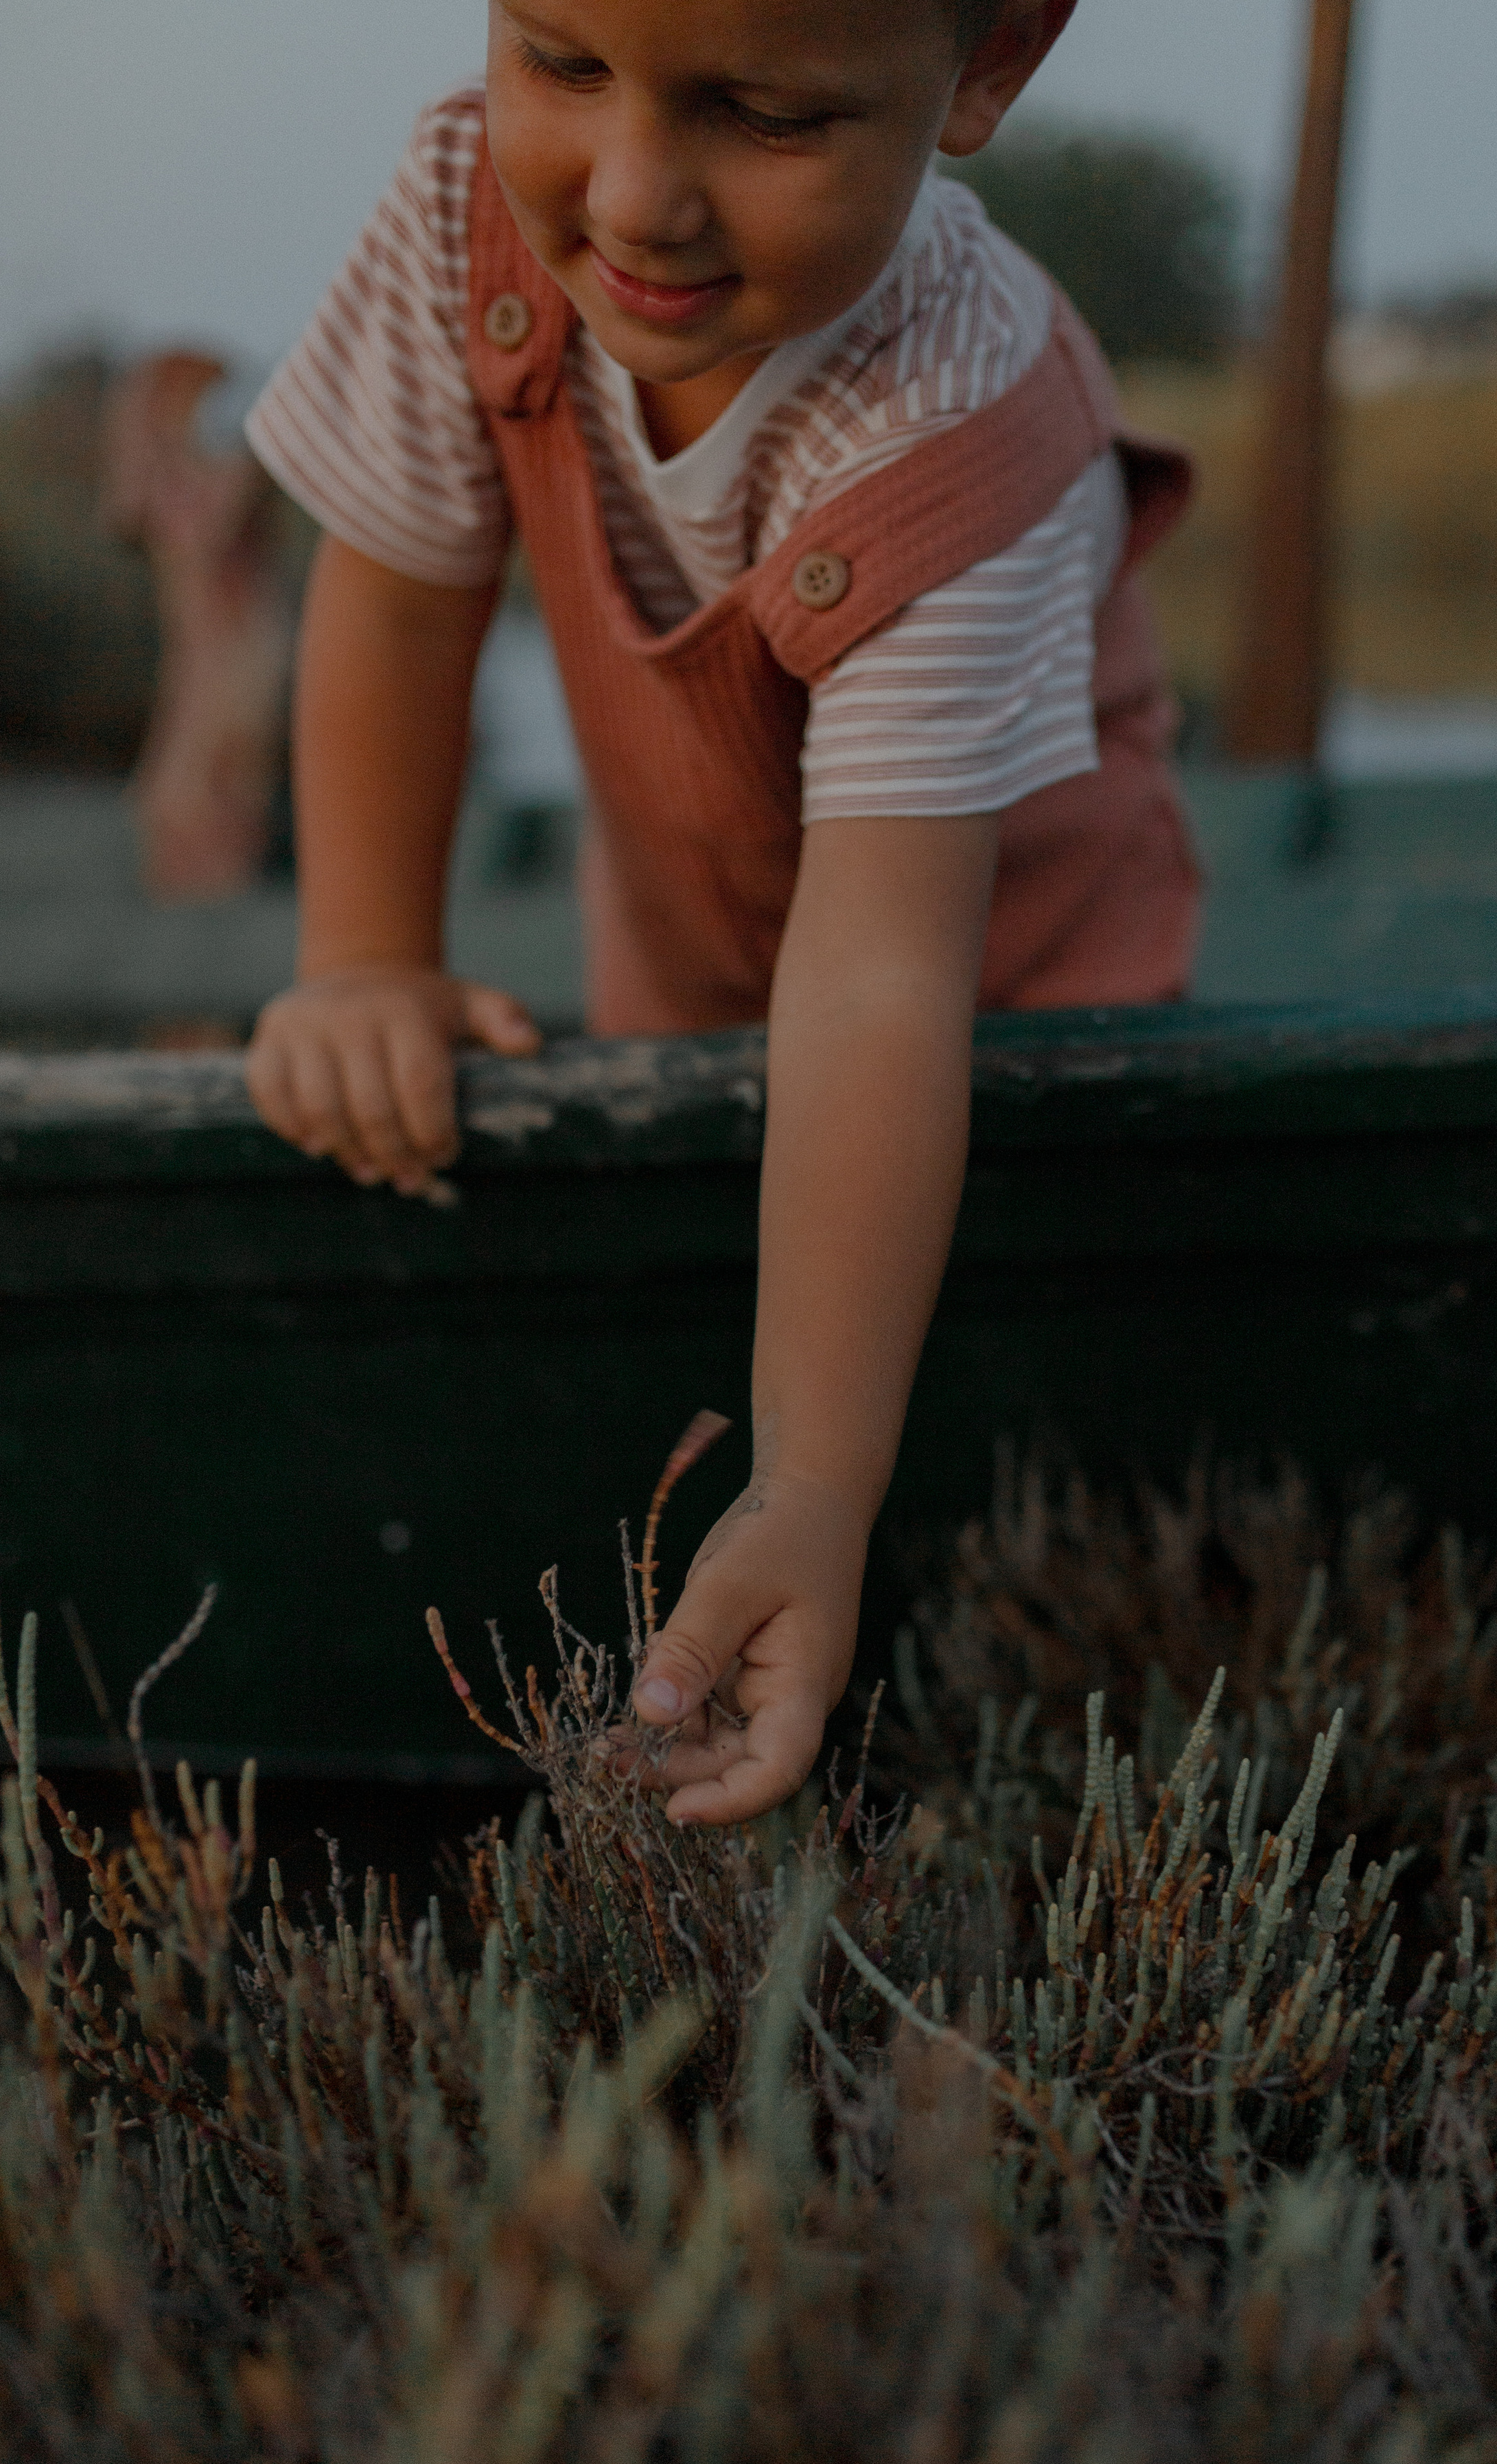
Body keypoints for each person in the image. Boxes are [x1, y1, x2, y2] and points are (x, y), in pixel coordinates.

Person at [243, 0, 1203, 1830]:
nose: (631, 196)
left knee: (1012, 1352)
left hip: (1014, 979)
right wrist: (364, 957)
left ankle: (926, 1653)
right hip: (696, 921)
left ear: (989, 63)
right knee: (699, 1220)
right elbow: (397, 595)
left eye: (761, 113)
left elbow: (877, 983)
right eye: (565, 59)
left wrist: (813, 1490)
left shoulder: (961, 423)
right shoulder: (465, 204)